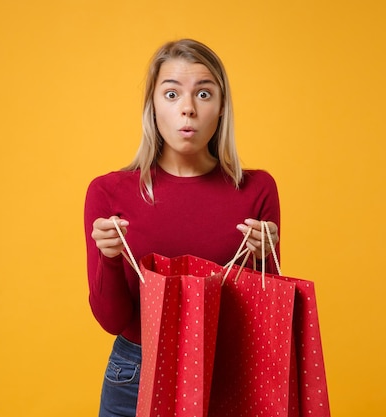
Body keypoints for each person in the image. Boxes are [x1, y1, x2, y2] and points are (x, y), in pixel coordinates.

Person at [84, 38, 281, 417]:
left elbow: (264, 315)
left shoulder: (257, 189)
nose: (188, 109)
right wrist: (108, 258)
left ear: (221, 108)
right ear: (153, 107)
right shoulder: (108, 192)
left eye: (203, 94)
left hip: (227, 370)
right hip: (135, 373)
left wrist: (263, 259)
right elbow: (112, 321)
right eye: (171, 94)